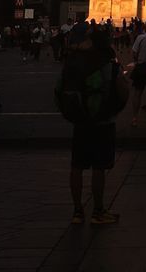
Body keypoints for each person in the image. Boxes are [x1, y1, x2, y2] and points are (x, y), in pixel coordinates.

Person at [59, 22, 121, 226]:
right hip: (102, 119)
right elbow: (121, 89)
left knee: (76, 165)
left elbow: (60, 89)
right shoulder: (107, 61)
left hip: (80, 120)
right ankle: (98, 210)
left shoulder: (72, 61)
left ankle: (77, 211)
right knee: (99, 167)